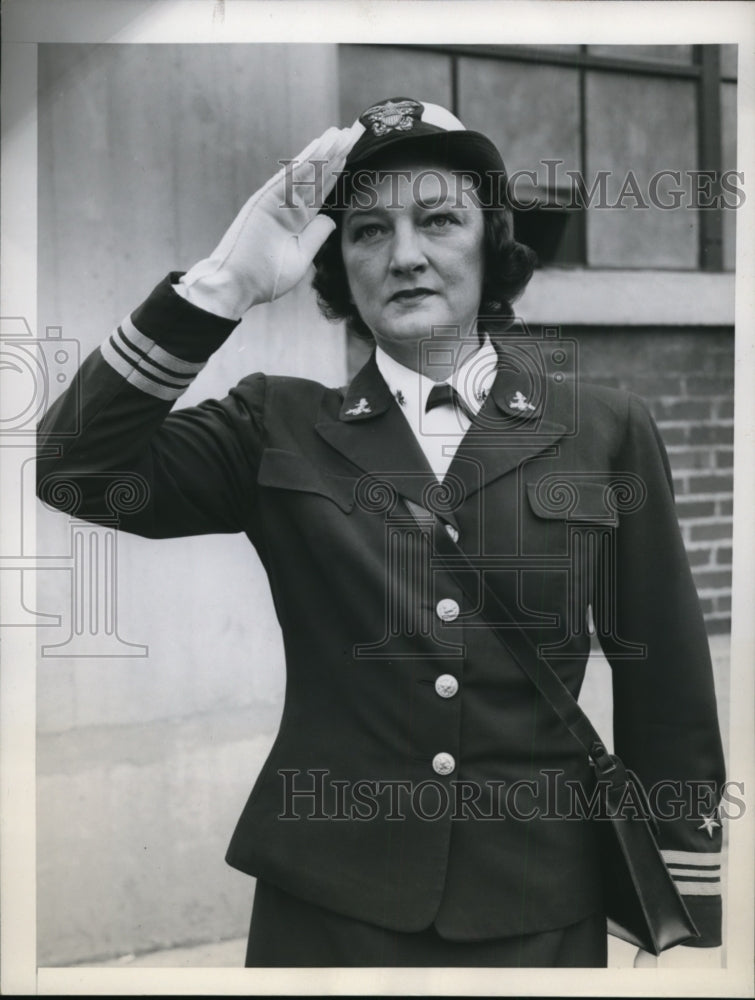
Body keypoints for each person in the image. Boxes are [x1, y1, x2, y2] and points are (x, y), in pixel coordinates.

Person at [36, 97, 725, 968]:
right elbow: (75, 469)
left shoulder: (602, 429)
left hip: (534, 906)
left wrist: (690, 907)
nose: (403, 255)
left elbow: (663, 678)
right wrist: (222, 284)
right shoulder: (272, 424)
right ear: (337, 266)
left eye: (438, 219)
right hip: (325, 904)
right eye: (365, 231)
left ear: (492, 243)